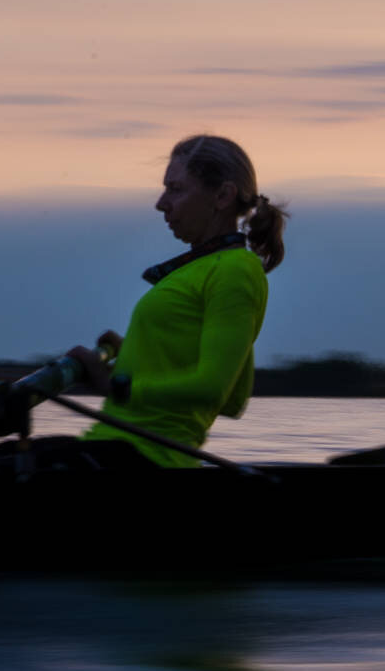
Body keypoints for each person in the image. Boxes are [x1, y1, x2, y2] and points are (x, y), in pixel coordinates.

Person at [72, 135, 288, 467]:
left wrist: (117, 385)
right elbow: (234, 398)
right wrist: (134, 351)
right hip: (116, 449)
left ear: (222, 195)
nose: (161, 203)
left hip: (144, 458)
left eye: (176, 190)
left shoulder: (235, 271)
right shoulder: (205, 267)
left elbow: (216, 390)